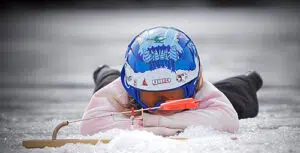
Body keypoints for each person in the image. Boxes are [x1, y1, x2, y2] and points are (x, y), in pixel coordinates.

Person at [80, 26, 263, 137]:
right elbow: (90, 125)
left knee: (234, 95)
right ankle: (103, 71)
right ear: (133, 88)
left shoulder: (196, 85)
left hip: (203, 101)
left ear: (191, 86)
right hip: (128, 101)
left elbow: (227, 121)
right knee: (107, 81)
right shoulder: (127, 86)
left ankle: (247, 80)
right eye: (153, 95)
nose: (162, 104)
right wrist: (163, 128)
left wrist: (152, 121)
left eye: (171, 94)